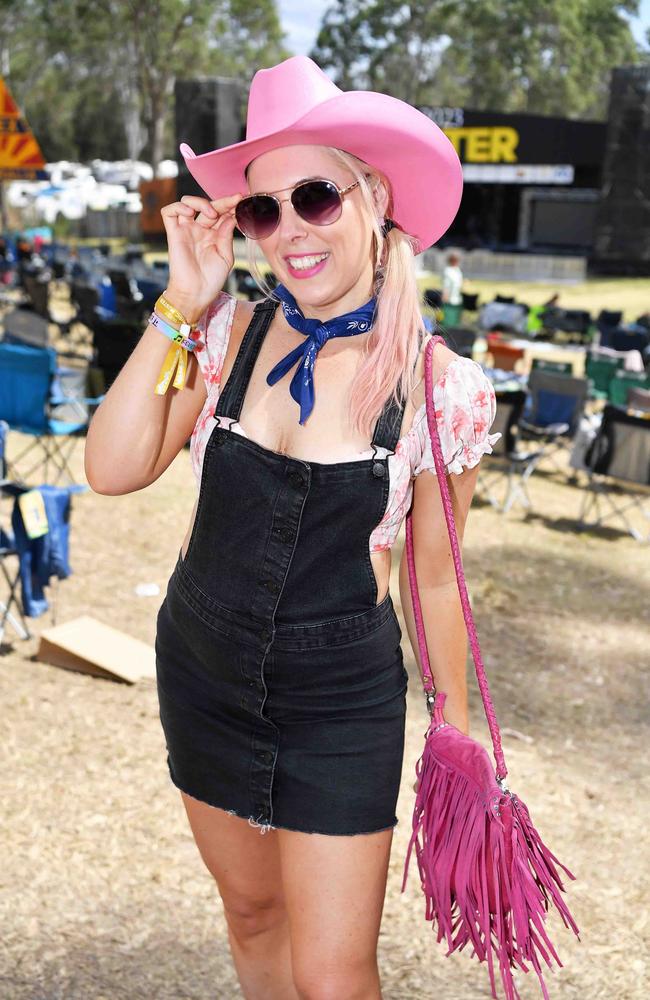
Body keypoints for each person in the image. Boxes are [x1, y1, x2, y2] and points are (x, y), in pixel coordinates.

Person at [84, 56, 499, 1000]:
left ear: (375, 196)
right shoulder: (223, 335)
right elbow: (110, 469)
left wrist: (456, 735)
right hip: (204, 667)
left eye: (314, 195)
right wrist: (183, 300)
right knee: (252, 914)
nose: (289, 232)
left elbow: (436, 579)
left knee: (335, 972)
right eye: (264, 210)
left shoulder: (443, 391)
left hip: (339, 702)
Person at [441, 251, 464, 328]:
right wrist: (445, 296)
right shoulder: (448, 271)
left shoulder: (458, 270)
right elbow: (446, 285)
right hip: (449, 299)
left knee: (456, 319)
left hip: (457, 298)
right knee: (448, 319)